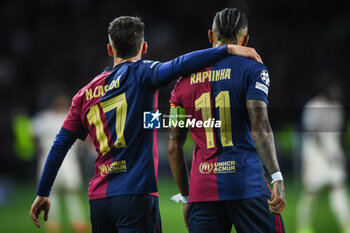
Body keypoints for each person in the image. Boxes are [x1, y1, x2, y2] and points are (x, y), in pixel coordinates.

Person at [29, 16, 262, 233]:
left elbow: (60, 144)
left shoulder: (84, 94)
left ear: (110, 49)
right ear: (144, 48)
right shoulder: (143, 73)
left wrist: (43, 191)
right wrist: (227, 49)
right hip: (135, 196)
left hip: (99, 200)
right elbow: (180, 65)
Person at [168, 8, 286, 233]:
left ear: (211, 36)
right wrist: (277, 177)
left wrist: (185, 197)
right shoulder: (254, 69)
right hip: (246, 184)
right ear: (246, 39)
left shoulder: (182, 83)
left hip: (202, 191)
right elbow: (259, 124)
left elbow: (174, 146)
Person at [296, 83, 350, 233]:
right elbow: (312, 130)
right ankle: (303, 226)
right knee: (311, 192)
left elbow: (338, 133)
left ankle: (346, 224)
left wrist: (339, 154)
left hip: (333, 154)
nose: (337, 92)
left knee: (338, 187)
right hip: (315, 155)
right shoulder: (314, 105)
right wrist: (328, 153)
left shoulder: (337, 107)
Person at [32, 94, 89, 233]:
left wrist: (39, 148)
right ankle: (79, 226)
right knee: (73, 198)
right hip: (69, 164)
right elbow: (83, 140)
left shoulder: (43, 118)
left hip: (48, 163)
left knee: (51, 197)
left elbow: (32, 133)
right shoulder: (72, 118)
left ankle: (53, 227)